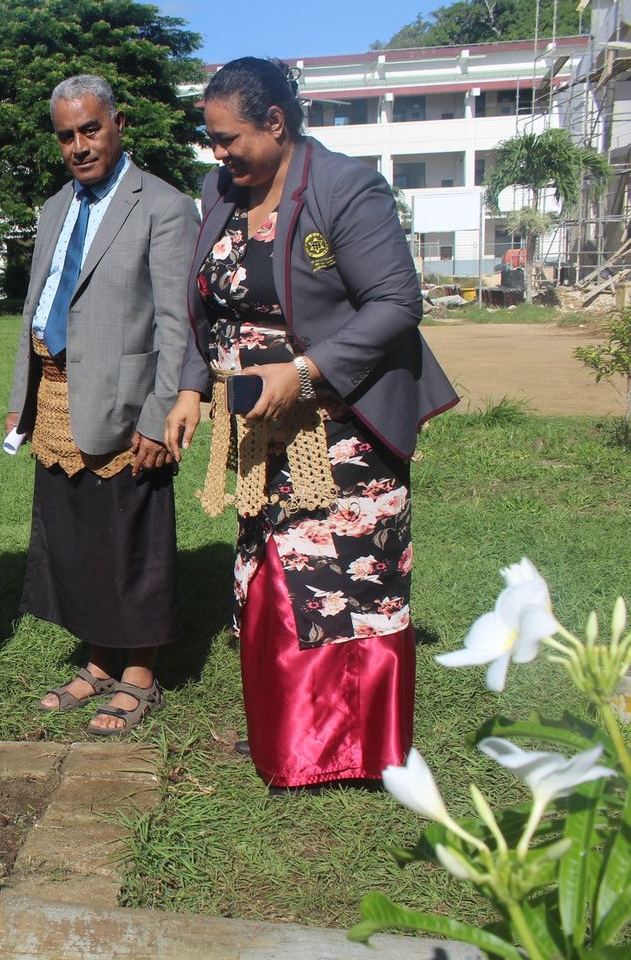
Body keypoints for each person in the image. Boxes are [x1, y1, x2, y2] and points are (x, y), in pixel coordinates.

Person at [165, 58, 459, 793]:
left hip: (341, 423)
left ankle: (354, 753)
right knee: (271, 573)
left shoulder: (343, 187)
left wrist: (301, 372)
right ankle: (288, 742)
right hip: (259, 425)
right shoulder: (220, 191)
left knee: (347, 584)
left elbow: (395, 303)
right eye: (211, 140)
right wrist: (190, 387)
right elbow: (208, 307)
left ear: (276, 122)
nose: (218, 154)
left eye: (229, 138)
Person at [8, 75, 198, 735]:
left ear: (118, 124)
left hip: (129, 404)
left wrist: (158, 415)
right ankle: (97, 662)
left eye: (91, 129)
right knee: (79, 536)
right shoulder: (56, 206)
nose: (80, 145)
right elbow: (38, 304)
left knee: (131, 538)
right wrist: (21, 399)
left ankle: (139, 673)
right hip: (58, 394)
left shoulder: (166, 206)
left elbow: (177, 323)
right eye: (67, 135)